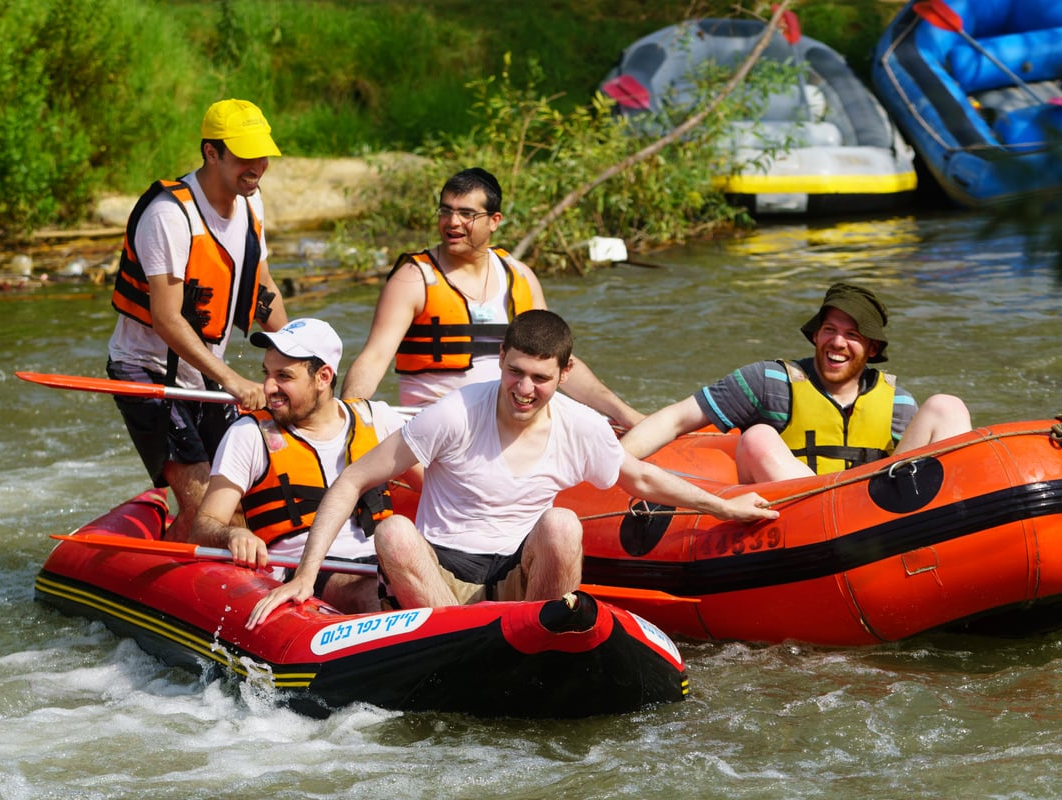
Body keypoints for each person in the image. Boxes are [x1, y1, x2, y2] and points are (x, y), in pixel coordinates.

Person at [247, 310, 779, 627]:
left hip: (518, 577)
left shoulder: (580, 426)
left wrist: (725, 506)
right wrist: (306, 576)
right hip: (441, 574)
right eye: (515, 372)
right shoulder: (455, 412)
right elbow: (352, 479)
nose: (525, 389)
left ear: (565, 372)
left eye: (540, 378)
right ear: (501, 358)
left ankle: (550, 640)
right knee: (394, 532)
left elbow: (641, 479)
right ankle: (453, 644)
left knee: (563, 524)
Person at [106, 98, 289, 542]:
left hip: (203, 376)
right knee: (209, 505)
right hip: (148, 372)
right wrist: (233, 381)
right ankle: (153, 583)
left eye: (262, 154)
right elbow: (167, 320)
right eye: (245, 155)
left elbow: (263, 287)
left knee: (240, 507)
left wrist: (301, 361)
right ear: (212, 152)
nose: (257, 166)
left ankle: (169, 553)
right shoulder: (169, 215)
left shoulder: (252, 203)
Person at [340, 167, 643, 429]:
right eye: (446, 211)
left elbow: (556, 364)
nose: (453, 222)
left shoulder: (519, 276)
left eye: (467, 214)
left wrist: (622, 413)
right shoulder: (414, 278)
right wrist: (347, 425)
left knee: (596, 427)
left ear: (494, 220)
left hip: (513, 418)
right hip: (441, 425)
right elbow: (374, 358)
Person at [619, 282, 972, 483]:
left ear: (872, 347)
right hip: (794, 519)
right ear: (816, 335)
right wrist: (611, 460)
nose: (837, 342)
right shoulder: (768, 382)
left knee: (947, 407)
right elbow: (678, 418)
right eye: (830, 330)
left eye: (852, 335)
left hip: (874, 519)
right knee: (757, 437)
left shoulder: (898, 404)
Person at [191, 318, 417, 614]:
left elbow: (441, 488)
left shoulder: (378, 420)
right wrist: (233, 534)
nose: (269, 387)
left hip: (383, 561)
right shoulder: (249, 434)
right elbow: (203, 526)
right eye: (267, 374)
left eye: (283, 376)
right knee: (372, 592)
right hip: (305, 574)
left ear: (323, 377)